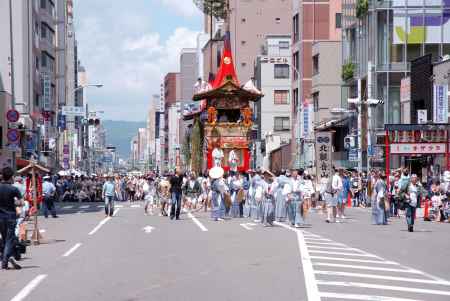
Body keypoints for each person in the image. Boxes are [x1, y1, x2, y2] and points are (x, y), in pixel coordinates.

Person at [0, 167, 23, 270]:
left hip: (0, 217)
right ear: (11, 177)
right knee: (10, 239)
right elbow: (21, 202)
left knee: (5, 239)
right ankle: (5, 260)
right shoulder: (14, 189)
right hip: (10, 216)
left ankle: (7, 259)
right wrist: (13, 202)